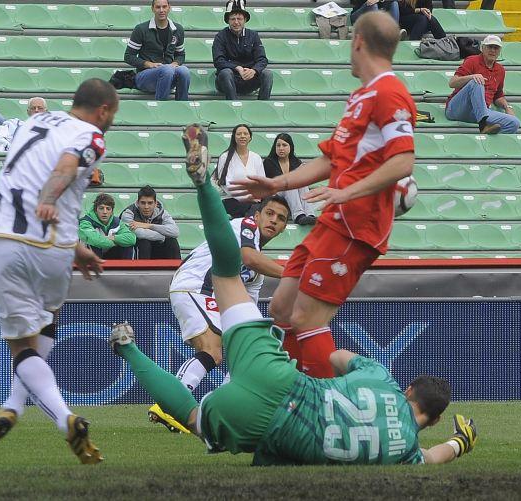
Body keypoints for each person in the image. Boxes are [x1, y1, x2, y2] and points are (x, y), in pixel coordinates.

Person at [107, 122, 479, 466]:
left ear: (408, 387)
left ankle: (204, 184)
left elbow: (332, 354)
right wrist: (462, 442)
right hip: (269, 417)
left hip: (281, 379)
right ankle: (128, 349)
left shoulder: (380, 377)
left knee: (227, 281)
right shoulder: (405, 451)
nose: (273, 221)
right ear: (433, 421)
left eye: (281, 219)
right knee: (197, 407)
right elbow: (434, 457)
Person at [229, 12, 416, 379]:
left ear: (358, 41)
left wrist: (348, 191)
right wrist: (277, 184)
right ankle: (288, 395)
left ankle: (323, 410)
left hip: (356, 227)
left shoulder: (390, 92)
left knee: (305, 317)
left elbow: (403, 162)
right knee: (282, 308)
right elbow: (331, 158)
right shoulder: (361, 95)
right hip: (333, 221)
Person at [0, 78, 118, 464]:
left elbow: (30, 174)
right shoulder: (91, 134)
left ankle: (60, 417)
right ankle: (16, 406)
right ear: (103, 111)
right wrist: (49, 199)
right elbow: (65, 166)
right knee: (49, 319)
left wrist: (78, 247)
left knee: (22, 345)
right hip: (50, 241)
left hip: (4, 238)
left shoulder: (34, 123)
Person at [149, 195, 288, 433]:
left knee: (238, 353)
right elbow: (249, 258)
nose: (274, 220)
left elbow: (246, 310)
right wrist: (295, 275)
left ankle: (219, 410)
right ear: (256, 215)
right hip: (194, 287)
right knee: (212, 351)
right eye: (269, 213)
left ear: (285, 227)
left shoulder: (256, 273)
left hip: (206, 295)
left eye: (281, 218)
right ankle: (169, 406)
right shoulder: (247, 226)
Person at [444, 35, 519, 135]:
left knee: (514, 122)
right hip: (458, 109)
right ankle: (483, 125)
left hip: (479, 112)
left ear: (499, 51)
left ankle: (486, 144)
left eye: (496, 48)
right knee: (477, 81)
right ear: (482, 48)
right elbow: (452, 83)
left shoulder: (500, 70)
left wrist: (507, 107)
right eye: (489, 47)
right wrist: (471, 77)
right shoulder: (472, 61)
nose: (492, 50)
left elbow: (498, 96)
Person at [124, 0, 190, 101]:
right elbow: (128, 56)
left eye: (164, 7)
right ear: (152, 9)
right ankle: (160, 107)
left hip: (168, 74)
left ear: (169, 8)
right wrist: (149, 64)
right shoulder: (141, 29)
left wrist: (176, 63)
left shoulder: (178, 29)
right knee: (167, 70)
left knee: (184, 71)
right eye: (158, 7)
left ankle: (182, 105)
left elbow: (181, 54)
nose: (161, 10)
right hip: (145, 76)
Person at [212, 0, 273, 101]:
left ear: (245, 20)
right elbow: (218, 61)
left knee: (267, 74)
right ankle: (234, 105)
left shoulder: (253, 35)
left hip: (249, 78)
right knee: (226, 72)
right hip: (229, 79)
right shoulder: (220, 36)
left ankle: (263, 106)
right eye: (232, 19)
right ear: (228, 20)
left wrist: (254, 70)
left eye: (239, 18)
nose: (236, 22)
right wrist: (237, 68)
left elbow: (262, 59)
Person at [263, 133, 320, 226]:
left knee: (302, 183)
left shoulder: (296, 162)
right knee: (290, 184)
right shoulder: (269, 162)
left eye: (284, 145)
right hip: (275, 194)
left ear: (290, 147)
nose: (281, 148)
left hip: (292, 195)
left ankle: (310, 214)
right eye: (278, 145)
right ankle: (298, 216)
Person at [213, 124, 265, 218]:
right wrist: (246, 198)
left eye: (245, 134)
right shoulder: (225, 157)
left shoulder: (256, 157)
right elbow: (225, 184)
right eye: (239, 134)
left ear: (250, 137)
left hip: (254, 201)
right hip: (232, 200)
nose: (242, 136)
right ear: (234, 137)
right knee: (254, 210)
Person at [120, 185, 181, 259]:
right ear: (137, 203)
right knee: (144, 242)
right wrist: (163, 237)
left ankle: (176, 269)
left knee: (172, 241)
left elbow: (175, 232)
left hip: (158, 248)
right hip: (138, 248)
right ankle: (142, 270)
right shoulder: (128, 213)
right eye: (143, 203)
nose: (146, 207)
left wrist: (149, 226)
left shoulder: (162, 213)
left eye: (150, 203)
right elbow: (139, 234)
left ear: (155, 203)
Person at [78, 193, 137, 259]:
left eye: (108, 209)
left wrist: (114, 238)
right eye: (101, 208)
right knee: (92, 244)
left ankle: (128, 268)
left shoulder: (117, 222)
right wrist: (116, 242)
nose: (105, 212)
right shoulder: (85, 222)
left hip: (108, 254)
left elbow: (132, 239)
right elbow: (97, 241)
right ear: (95, 210)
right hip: (87, 258)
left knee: (128, 246)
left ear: (112, 211)